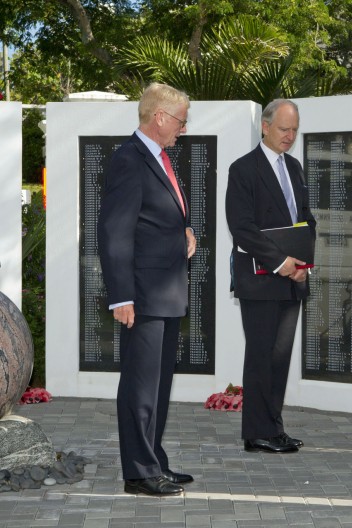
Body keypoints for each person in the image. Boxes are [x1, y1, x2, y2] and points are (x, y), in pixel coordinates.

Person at [98, 82, 196, 495]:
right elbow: (115, 233)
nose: (183, 129)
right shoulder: (129, 160)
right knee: (140, 386)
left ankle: (153, 460)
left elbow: (155, 219)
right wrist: (121, 296)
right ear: (159, 117)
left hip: (166, 291)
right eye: (180, 120)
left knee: (157, 385)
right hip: (143, 295)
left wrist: (184, 232)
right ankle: (139, 473)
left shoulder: (159, 157)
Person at [225, 99, 316, 453]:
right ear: (264, 127)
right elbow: (242, 227)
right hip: (262, 278)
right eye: (283, 129)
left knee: (280, 358)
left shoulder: (294, 167)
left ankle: (274, 428)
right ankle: (256, 432)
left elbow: (305, 218)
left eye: (294, 129)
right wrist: (282, 262)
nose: (289, 136)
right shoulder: (243, 169)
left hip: (293, 278)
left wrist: (304, 263)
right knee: (261, 355)